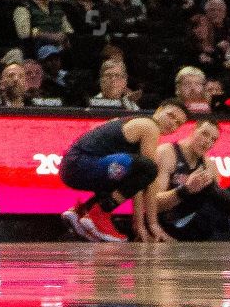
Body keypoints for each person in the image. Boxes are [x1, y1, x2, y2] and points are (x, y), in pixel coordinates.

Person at [60, 101, 187, 243]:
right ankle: (99, 213)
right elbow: (149, 177)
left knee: (136, 172)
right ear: (159, 110)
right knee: (149, 168)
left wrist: (139, 224)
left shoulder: (135, 120)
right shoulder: (149, 126)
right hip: (80, 165)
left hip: (74, 166)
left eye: (178, 123)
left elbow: (137, 185)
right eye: (170, 116)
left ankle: (81, 211)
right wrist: (152, 224)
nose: (172, 123)